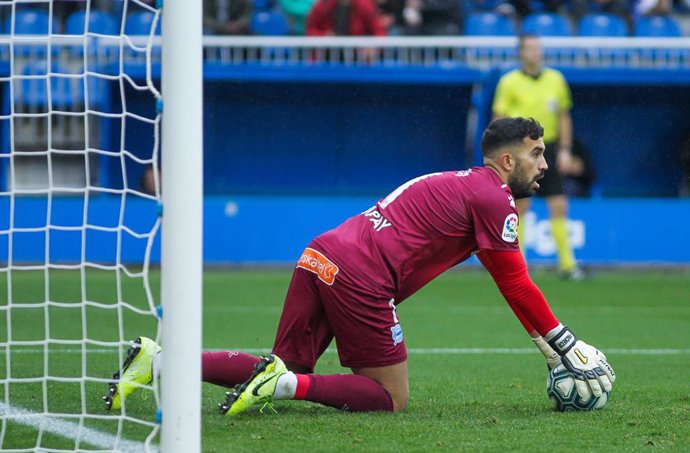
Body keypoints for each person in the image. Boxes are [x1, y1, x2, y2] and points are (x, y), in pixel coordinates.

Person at [103, 117, 615, 416]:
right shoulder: (494, 200)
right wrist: (564, 344)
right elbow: (516, 283)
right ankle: (278, 385)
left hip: (323, 252)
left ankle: (159, 361)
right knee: (390, 397)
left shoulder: (461, 183)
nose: (545, 164)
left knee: (290, 368)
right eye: (536, 154)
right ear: (507, 161)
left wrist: (548, 346)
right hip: (363, 275)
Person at [492, 34, 585, 280]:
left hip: (549, 147)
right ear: (521, 53)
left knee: (559, 203)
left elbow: (564, 116)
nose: (536, 53)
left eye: (538, 48)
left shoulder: (556, 79)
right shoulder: (509, 81)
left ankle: (567, 265)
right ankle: (518, 267)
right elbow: (498, 119)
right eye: (531, 48)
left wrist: (565, 149)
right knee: (520, 206)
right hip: (521, 150)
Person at [305, 0, 387, 36]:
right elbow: (309, 30)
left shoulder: (365, 5)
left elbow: (379, 30)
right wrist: (324, 35)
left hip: (357, 57)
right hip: (326, 56)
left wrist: (372, 48)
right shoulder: (322, 6)